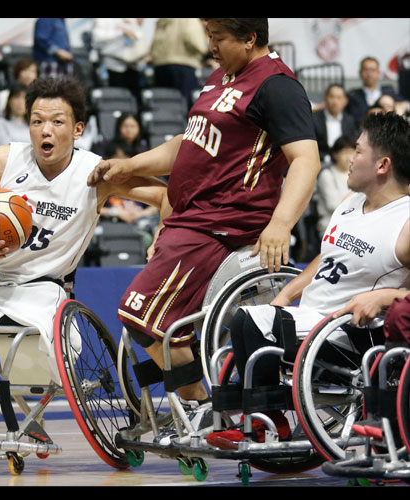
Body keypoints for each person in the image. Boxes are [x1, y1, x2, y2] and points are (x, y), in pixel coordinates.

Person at [87, 18, 321, 432]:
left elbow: (305, 159)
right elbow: (187, 142)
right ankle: (201, 409)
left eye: (218, 38)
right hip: (189, 218)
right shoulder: (221, 77)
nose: (209, 45)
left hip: (220, 224)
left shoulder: (277, 86)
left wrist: (281, 224)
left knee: (140, 316)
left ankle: (201, 409)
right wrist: (130, 165)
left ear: (249, 39)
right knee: (155, 327)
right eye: (209, 36)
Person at [0, 76, 171, 385]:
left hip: (45, 289)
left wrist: (161, 237)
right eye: (37, 121)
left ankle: (31, 412)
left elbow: (165, 195)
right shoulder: (1, 161)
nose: (45, 130)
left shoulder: (96, 172)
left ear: (78, 129)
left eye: (57, 122)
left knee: (35, 375)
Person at [206, 111, 410, 449]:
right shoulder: (350, 203)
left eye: (358, 151)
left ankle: (269, 422)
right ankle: (255, 416)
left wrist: (385, 296)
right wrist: (286, 294)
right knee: (249, 318)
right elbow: (327, 258)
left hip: (351, 333)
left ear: (382, 165)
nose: (349, 158)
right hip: (313, 319)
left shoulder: (404, 223)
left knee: (248, 320)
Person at [149, 18, 210, 109]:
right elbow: (193, 39)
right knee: (184, 104)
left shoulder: (162, 21)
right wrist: (204, 50)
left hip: (160, 65)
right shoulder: (189, 20)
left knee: (165, 103)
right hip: (184, 66)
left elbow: (154, 44)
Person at [91, 18, 148, 104]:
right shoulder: (102, 20)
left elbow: (138, 35)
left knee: (136, 99)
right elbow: (97, 39)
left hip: (133, 64)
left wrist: (137, 26)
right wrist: (121, 32)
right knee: (117, 99)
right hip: (114, 65)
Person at [315, 135, 355, 237]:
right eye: (344, 152)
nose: (348, 157)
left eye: (351, 152)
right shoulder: (327, 175)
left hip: (354, 223)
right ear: (335, 154)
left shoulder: (357, 175)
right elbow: (333, 205)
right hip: (332, 226)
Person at [311, 84, 358, 164]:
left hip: (345, 162)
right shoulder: (313, 118)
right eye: (332, 97)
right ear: (325, 98)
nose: (335, 101)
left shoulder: (350, 121)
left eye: (339, 98)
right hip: (319, 161)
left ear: (345, 101)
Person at [346, 57, 399, 126]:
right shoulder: (353, 95)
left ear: (379, 73)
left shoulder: (389, 91)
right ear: (360, 73)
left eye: (373, 70)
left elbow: (405, 103)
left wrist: (401, 107)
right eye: (366, 70)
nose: (369, 74)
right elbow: (353, 118)